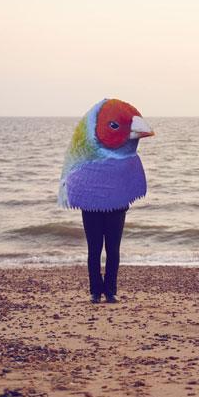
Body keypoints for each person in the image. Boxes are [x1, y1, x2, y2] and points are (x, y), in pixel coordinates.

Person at [58, 98, 153, 303]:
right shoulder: (84, 158)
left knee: (112, 250)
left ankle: (110, 291)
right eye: (114, 125)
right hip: (91, 207)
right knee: (94, 250)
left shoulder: (127, 157)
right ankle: (95, 291)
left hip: (117, 207)